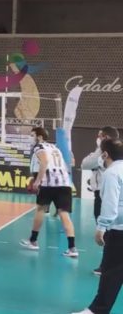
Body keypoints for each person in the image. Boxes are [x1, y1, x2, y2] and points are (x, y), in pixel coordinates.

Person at [72, 139, 123, 314]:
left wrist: (101, 227)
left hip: (119, 231)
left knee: (110, 272)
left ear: (105, 154)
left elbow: (110, 204)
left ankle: (97, 311)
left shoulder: (112, 173)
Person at [20, 127, 78, 257]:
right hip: (64, 183)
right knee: (64, 214)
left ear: (39, 136)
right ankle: (72, 248)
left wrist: (37, 181)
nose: (30, 137)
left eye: (32, 135)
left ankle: (33, 241)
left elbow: (45, 161)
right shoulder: (55, 148)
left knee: (41, 209)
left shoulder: (38, 147)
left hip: (49, 183)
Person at [83, 126, 120, 275]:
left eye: (100, 136)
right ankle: (107, 264)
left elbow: (86, 163)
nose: (97, 138)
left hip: (105, 195)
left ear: (105, 137)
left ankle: (106, 265)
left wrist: (101, 150)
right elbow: (85, 163)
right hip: (102, 193)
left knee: (109, 232)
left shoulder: (107, 155)